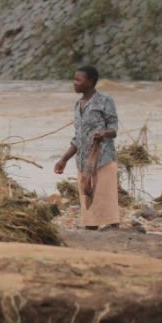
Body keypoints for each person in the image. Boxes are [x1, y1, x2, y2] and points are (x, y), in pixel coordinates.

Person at [54, 65, 120, 230]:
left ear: (90, 82)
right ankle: (91, 227)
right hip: (83, 162)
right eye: (74, 79)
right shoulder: (78, 105)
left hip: (103, 159)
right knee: (88, 200)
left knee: (106, 199)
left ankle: (113, 229)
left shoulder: (105, 100)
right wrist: (64, 159)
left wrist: (103, 134)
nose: (74, 83)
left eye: (78, 80)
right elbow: (78, 138)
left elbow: (114, 129)